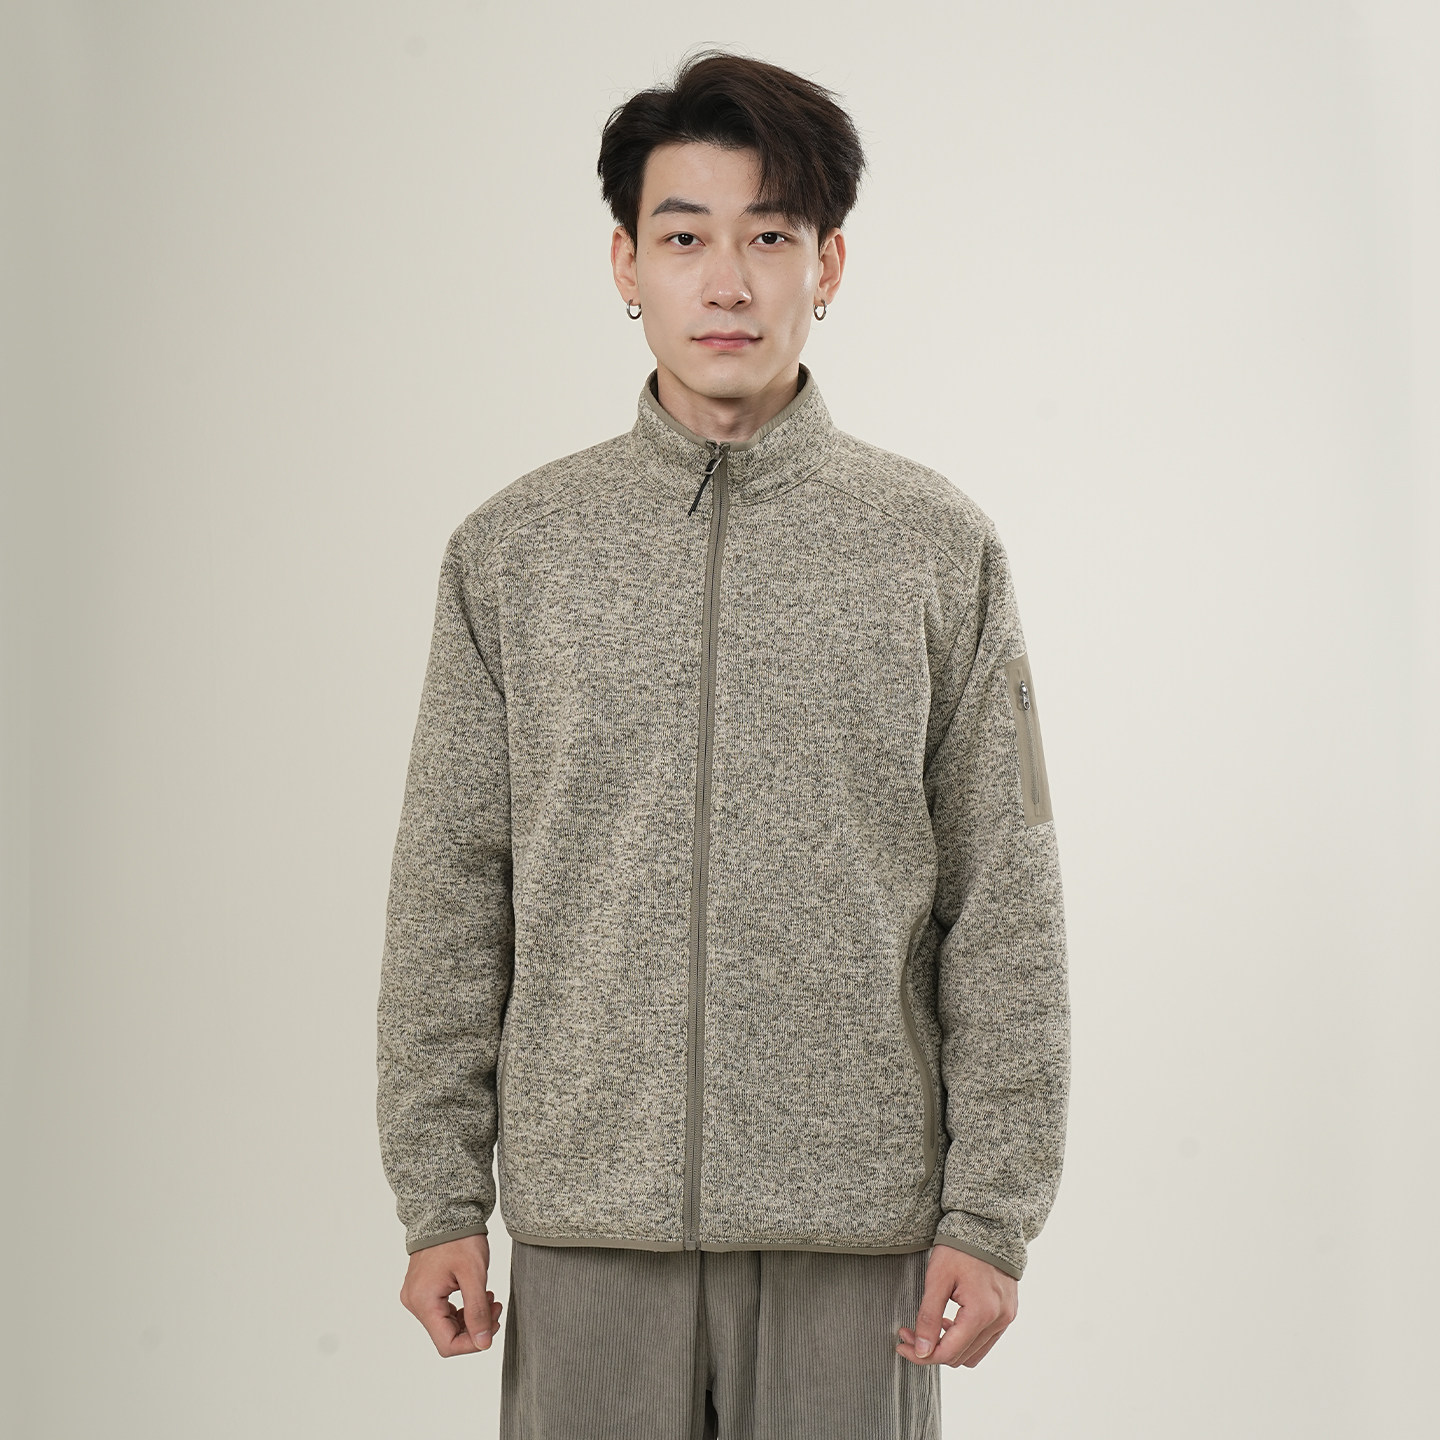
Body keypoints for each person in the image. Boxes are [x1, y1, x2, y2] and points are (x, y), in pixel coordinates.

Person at [376, 47, 1070, 1440]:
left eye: (771, 236)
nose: (729, 283)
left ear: (830, 265)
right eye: (686, 238)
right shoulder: (515, 554)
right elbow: (451, 888)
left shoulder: (935, 550)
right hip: (591, 1229)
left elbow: (1005, 899)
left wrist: (992, 1213)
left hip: (856, 1242)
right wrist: (439, 1193)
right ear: (625, 264)